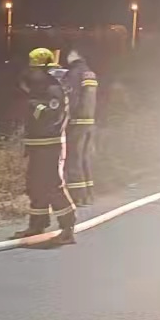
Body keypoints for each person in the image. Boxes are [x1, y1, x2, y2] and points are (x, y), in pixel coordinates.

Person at [16, 48, 76, 245]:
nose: (31, 73)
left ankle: (67, 227)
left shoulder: (53, 89)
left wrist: (32, 105)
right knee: (35, 185)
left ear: (43, 69)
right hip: (37, 144)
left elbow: (51, 116)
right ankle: (37, 224)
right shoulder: (39, 89)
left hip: (50, 145)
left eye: (34, 69)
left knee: (52, 185)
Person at [61, 47, 100, 205]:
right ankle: (89, 194)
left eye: (70, 53)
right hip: (89, 121)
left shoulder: (74, 73)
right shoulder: (89, 73)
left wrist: (66, 116)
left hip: (76, 121)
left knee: (73, 158)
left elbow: (71, 96)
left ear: (76, 55)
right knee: (85, 158)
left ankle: (77, 196)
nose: (67, 56)